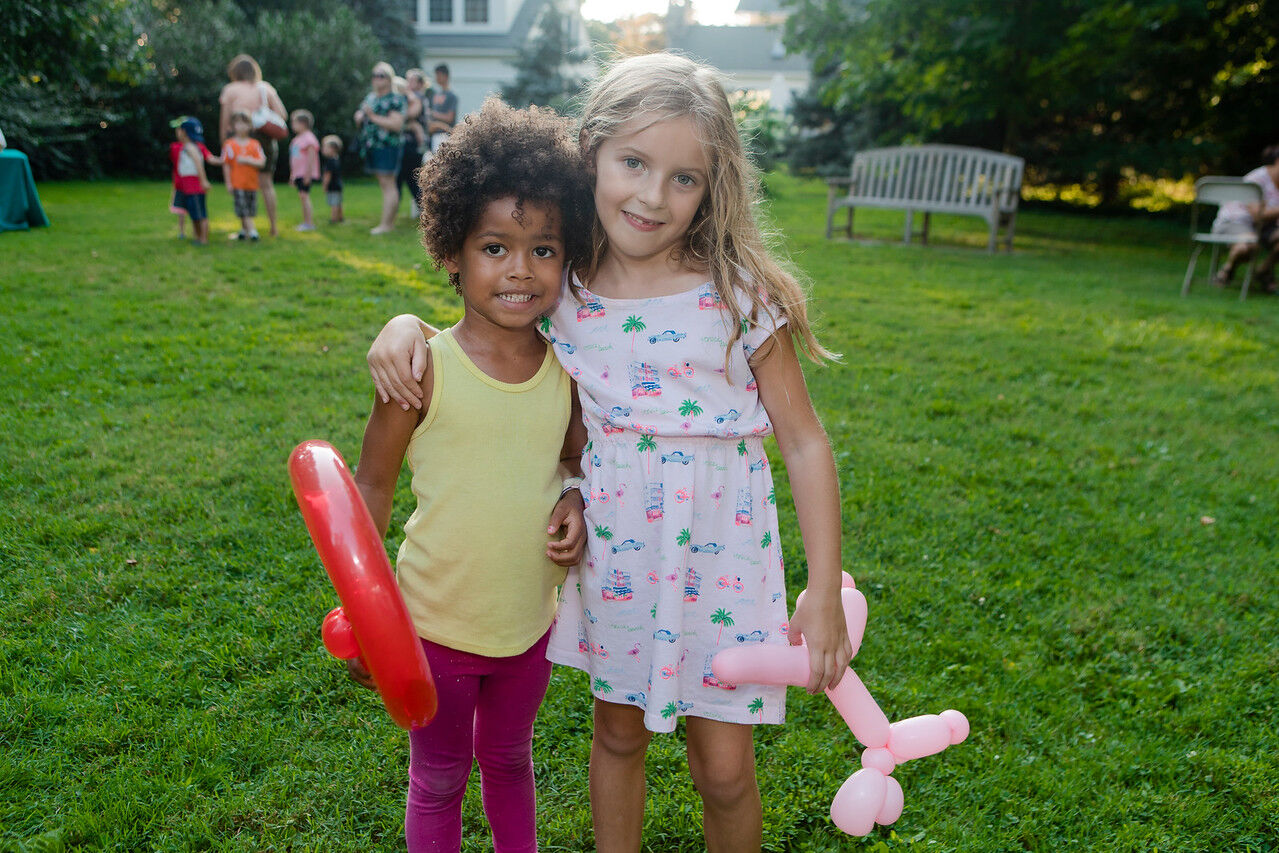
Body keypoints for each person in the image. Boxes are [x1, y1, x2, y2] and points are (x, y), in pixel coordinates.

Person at [366, 52, 853, 852]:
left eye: (683, 177)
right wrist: (404, 328)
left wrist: (823, 587)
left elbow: (802, 440)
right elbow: (482, 337)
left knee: (722, 767)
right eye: (632, 163)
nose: (652, 195)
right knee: (618, 735)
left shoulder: (737, 292)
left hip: (722, 552)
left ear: (714, 185)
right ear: (589, 153)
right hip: (622, 551)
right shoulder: (567, 288)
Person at [348, 97, 596, 852]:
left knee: (511, 758)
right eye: (495, 247)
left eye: (544, 250)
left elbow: (575, 462)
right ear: (451, 251)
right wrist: (366, 611)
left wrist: (578, 500)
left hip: (527, 625)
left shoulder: (569, 373)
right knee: (439, 775)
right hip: (432, 627)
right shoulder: (421, 367)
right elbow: (371, 486)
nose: (519, 269)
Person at [218, 54, 287, 237]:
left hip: (240, 139)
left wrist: (224, 142)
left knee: (240, 182)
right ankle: (273, 227)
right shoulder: (266, 88)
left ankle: (245, 227)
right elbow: (282, 115)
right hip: (265, 138)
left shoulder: (231, 89)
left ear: (235, 72)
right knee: (266, 184)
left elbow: (225, 120)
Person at [1211, 144, 1279, 293]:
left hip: (1264, 226)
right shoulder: (1256, 179)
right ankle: (1228, 269)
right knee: (1245, 248)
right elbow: (1257, 214)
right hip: (1237, 221)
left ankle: (1263, 271)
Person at [355, 61, 407, 235]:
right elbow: (362, 115)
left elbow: (396, 124)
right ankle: (387, 223)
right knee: (385, 185)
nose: (376, 79)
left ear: (389, 78)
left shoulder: (395, 99)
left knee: (389, 184)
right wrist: (360, 117)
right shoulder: (371, 97)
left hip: (388, 147)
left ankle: (386, 224)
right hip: (373, 146)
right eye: (374, 75)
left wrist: (372, 116)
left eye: (381, 75)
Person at [169, 117, 221, 246]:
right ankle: (197, 237)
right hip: (188, 186)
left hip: (195, 186)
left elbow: (198, 164)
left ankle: (203, 239)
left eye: (179, 130)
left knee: (200, 214)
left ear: (184, 132)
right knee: (194, 214)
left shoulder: (191, 148)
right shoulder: (187, 146)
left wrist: (203, 181)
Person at [223, 111, 267, 241]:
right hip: (238, 183)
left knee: (250, 209)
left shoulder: (255, 144)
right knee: (243, 208)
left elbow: (262, 162)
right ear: (233, 126)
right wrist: (228, 183)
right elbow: (226, 164)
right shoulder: (229, 144)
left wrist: (248, 160)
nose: (241, 126)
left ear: (250, 126)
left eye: (244, 123)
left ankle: (243, 231)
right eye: (238, 123)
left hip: (252, 183)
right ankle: (253, 232)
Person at [398, 68, 430, 219]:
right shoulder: (414, 97)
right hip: (412, 143)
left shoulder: (416, 97)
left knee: (411, 177)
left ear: (419, 83)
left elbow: (409, 114)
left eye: (411, 80)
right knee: (410, 177)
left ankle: (426, 210)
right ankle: (424, 210)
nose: (407, 83)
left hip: (413, 144)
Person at [288, 109, 321, 232]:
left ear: (303, 123)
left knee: (304, 196)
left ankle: (309, 223)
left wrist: (308, 174)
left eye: (294, 122)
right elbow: (294, 160)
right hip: (298, 173)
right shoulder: (297, 139)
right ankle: (306, 221)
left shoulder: (309, 138)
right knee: (302, 196)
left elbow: (311, 158)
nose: (292, 125)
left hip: (305, 173)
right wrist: (292, 175)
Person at [426, 64, 458, 156]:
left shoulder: (452, 96)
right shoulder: (436, 94)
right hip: (434, 134)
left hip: (445, 135)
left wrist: (433, 114)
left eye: (439, 75)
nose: (436, 78)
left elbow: (449, 117)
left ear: (445, 76)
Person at [321, 135, 344, 224]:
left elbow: (327, 175)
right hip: (339, 185)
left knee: (334, 204)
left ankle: (333, 219)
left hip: (332, 186)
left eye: (325, 147)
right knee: (338, 203)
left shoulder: (330, 162)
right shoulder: (337, 159)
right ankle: (341, 217)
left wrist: (324, 185)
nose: (323, 149)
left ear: (332, 149)